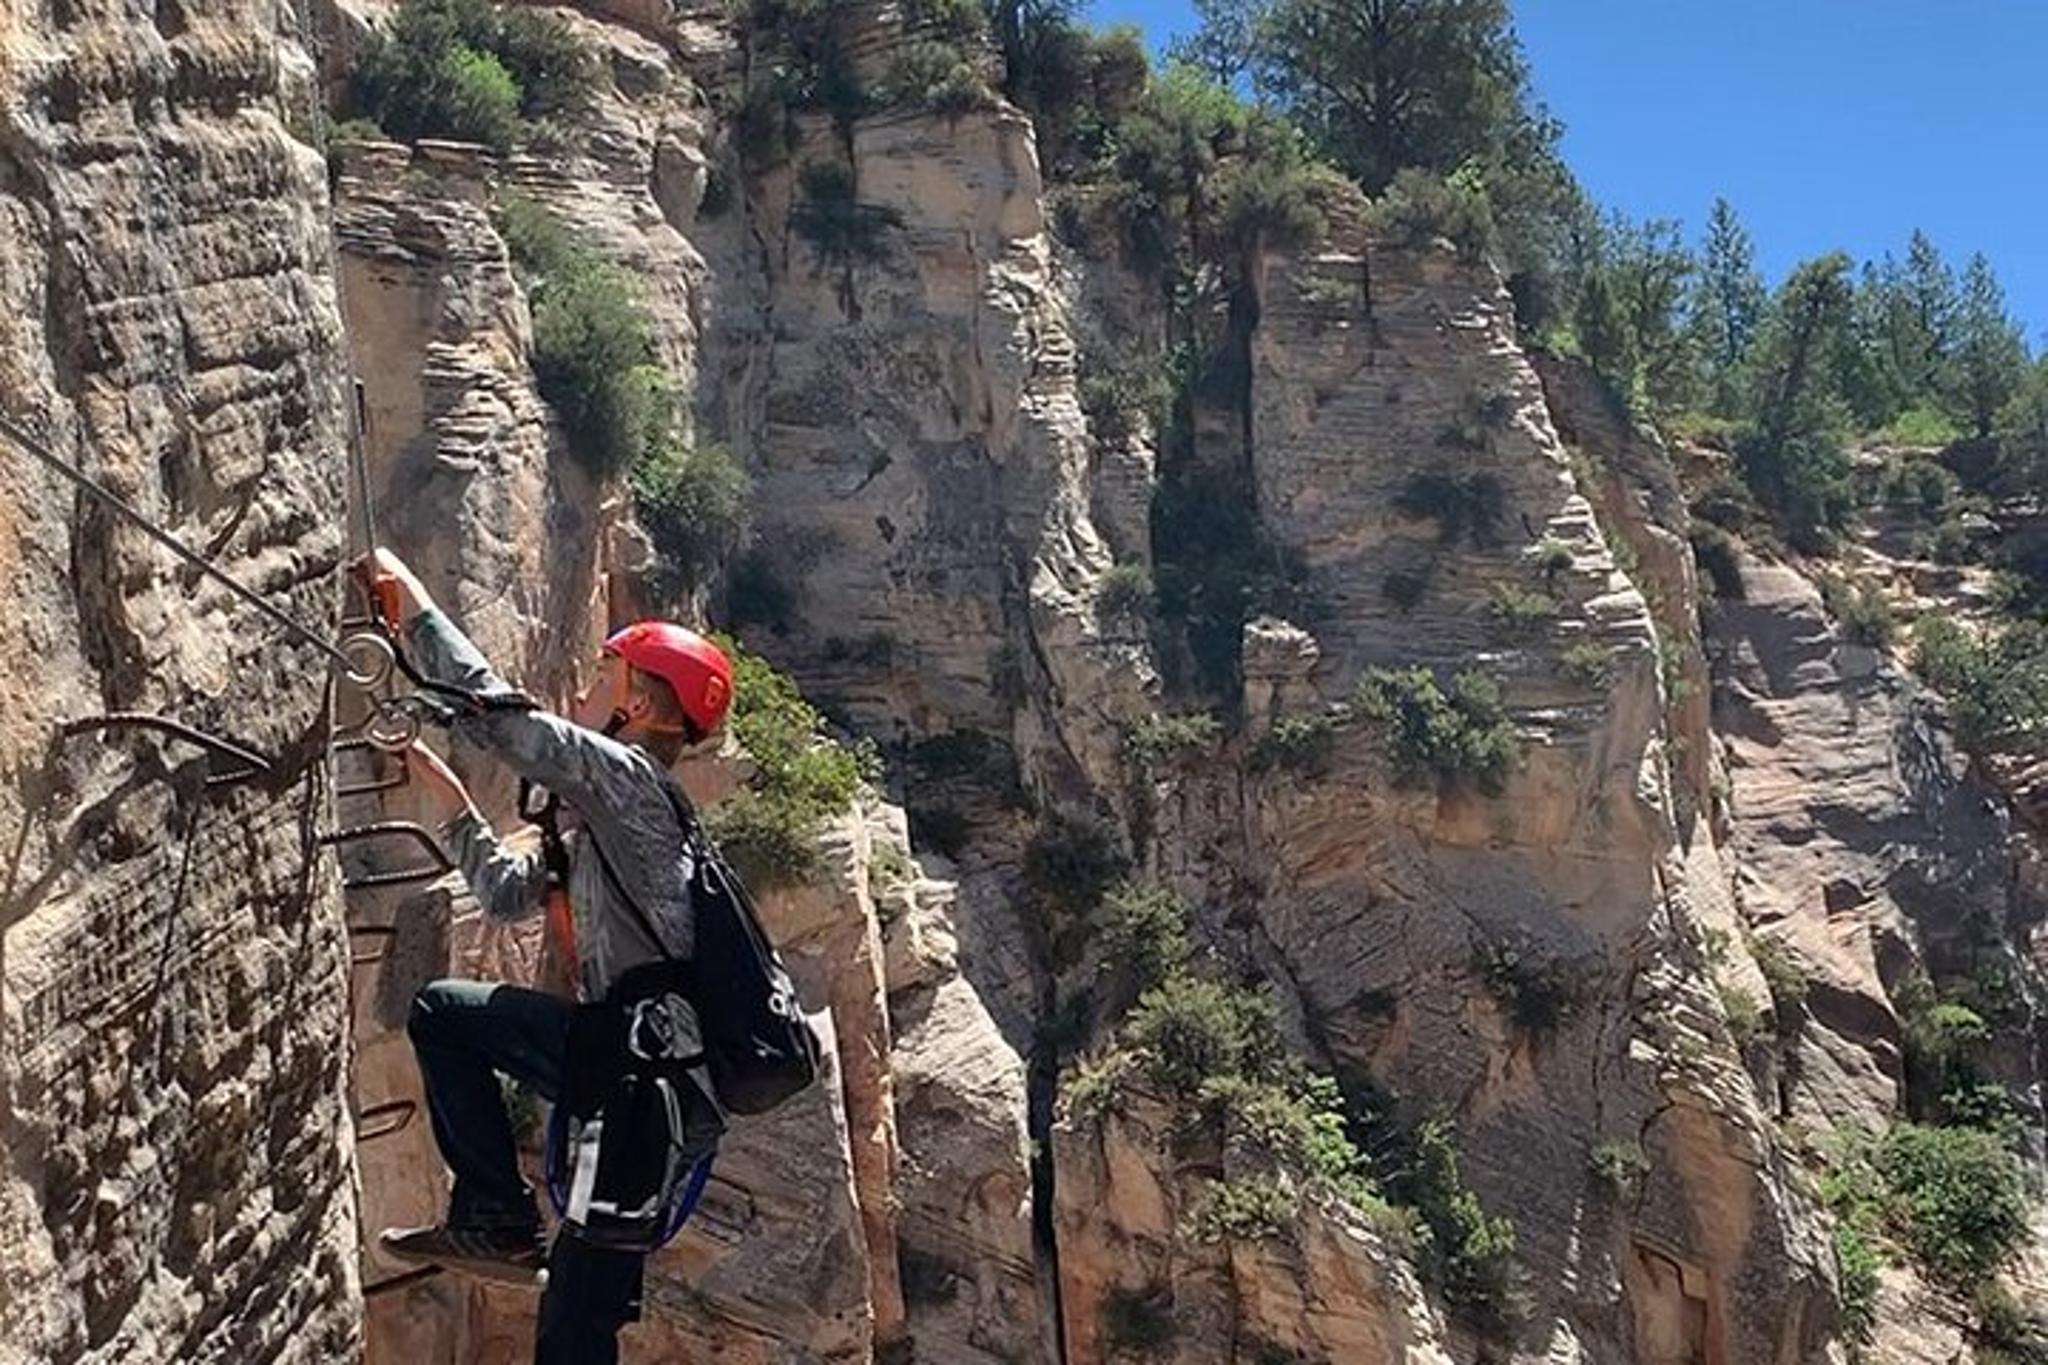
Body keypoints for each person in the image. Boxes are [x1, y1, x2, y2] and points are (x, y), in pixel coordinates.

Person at [356, 548, 731, 1365]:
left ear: (637, 705)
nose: (582, 692)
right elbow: (503, 892)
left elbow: (514, 726)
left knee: (575, 1323)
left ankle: (498, 1214)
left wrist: (414, 609)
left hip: (642, 1087)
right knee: (446, 1015)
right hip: (621, 1063)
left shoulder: (628, 781)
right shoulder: (602, 817)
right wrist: (448, 796)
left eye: (601, 677)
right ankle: (496, 1213)